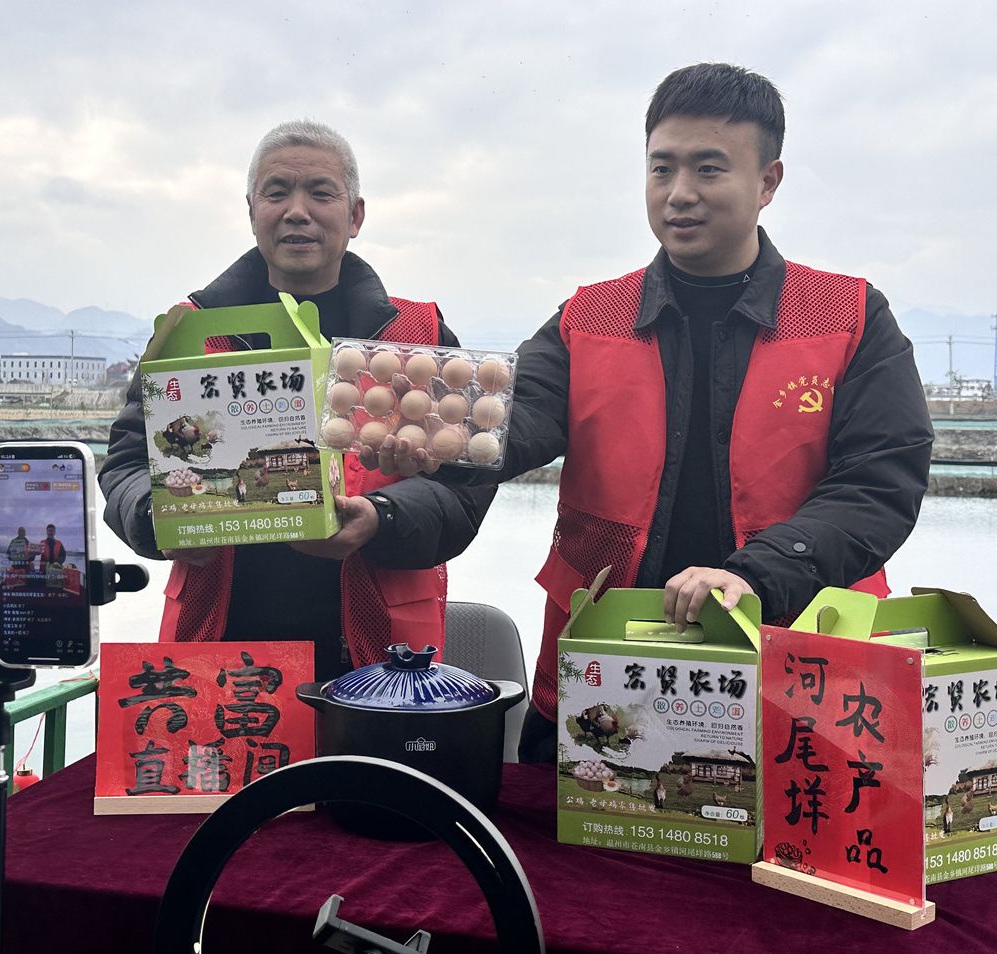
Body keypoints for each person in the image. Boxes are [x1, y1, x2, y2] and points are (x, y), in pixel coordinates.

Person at [365, 63, 933, 761]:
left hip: (796, 672)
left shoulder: (847, 316)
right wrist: (436, 437)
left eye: (708, 169)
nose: (679, 192)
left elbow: (880, 480)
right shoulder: (588, 317)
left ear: (768, 182)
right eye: (662, 168)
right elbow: (520, 415)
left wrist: (756, 574)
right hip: (606, 676)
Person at [100, 120, 496, 683]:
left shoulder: (416, 338)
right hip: (220, 647)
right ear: (251, 210)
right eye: (277, 192)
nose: (297, 211)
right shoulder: (191, 332)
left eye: (320, 192)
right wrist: (157, 517)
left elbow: (468, 481)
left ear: (355, 215)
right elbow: (125, 462)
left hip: (381, 656)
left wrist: (383, 517)